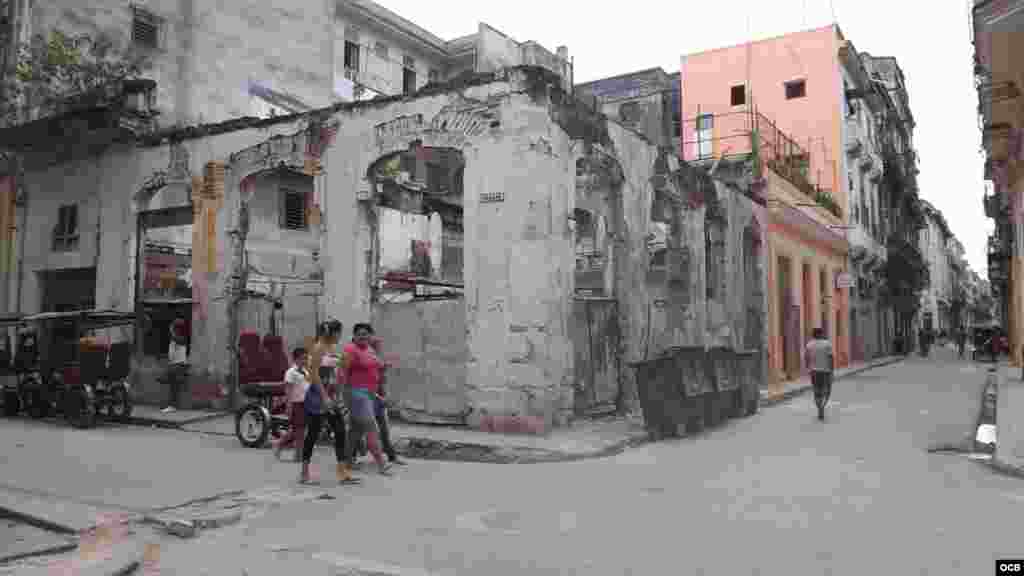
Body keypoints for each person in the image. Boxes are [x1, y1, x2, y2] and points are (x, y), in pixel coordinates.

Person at [300, 320, 360, 485]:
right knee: (313, 433)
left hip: (331, 396)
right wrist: (324, 396)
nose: (340, 336)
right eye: (339, 333)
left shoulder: (332, 349)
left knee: (340, 432)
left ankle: (343, 473)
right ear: (332, 333)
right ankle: (304, 473)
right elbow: (313, 374)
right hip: (317, 396)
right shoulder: (318, 347)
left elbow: (335, 373)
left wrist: (336, 394)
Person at [341, 323, 393, 476]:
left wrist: (384, 366)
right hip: (356, 394)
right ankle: (381, 464)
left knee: (355, 430)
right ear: (354, 336)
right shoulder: (350, 350)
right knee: (372, 428)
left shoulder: (369, 350)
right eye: (360, 334)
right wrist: (341, 394)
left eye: (366, 334)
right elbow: (342, 372)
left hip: (368, 394)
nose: (363, 337)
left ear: (371, 336)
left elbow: (377, 365)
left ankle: (347, 461)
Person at [367, 334, 405, 467]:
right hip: (370, 399)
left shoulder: (378, 360)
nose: (378, 348)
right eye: (375, 345)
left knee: (383, 430)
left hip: (379, 399)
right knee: (363, 430)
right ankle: (350, 457)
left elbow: (381, 382)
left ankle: (391, 456)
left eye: (378, 345)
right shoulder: (368, 360)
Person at [273, 347, 309, 462]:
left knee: (298, 431)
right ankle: (298, 455)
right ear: (296, 359)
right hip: (296, 404)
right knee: (299, 431)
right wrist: (288, 406)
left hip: (306, 404)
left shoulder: (306, 371)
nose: (305, 360)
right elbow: (288, 390)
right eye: (303, 358)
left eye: (306, 358)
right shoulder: (290, 372)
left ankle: (280, 444)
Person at [804, 327, 834, 422]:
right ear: (821, 334)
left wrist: (808, 368)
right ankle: (822, 406)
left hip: (814, 371)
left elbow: (806, 358)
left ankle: (819, 408)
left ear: (813, 335)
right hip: (826, 371)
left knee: (816, 391)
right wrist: (832, 370)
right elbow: (831, 358)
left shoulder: (809, 345)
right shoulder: (827, 344)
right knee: (827, 391)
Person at [162, 319, 188, 413]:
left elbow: (176, 340)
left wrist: (172, 331)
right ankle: (172, 405)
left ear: (177, 329)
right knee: (173, 386)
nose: (171, 329)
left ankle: (173, 405)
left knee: (174, 387)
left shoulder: (181, 338)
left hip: (178, 365)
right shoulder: (177, 338)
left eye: (173, 327)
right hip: (175, 365)